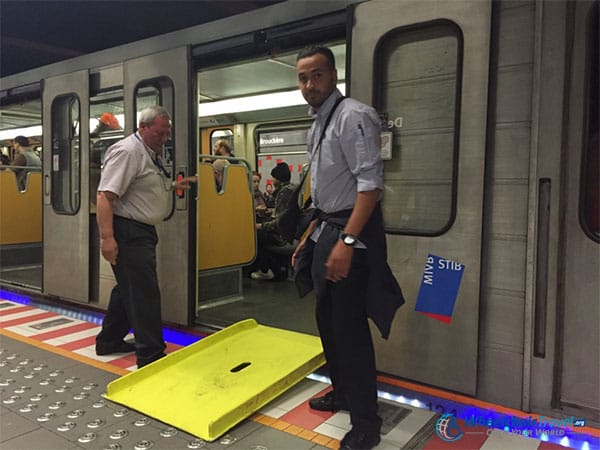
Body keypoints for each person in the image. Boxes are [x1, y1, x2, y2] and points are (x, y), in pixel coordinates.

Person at [292, 46, 404, 450]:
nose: (309, 85)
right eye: (303, 78)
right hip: (329, 227)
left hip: (352, 231)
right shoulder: (319, 122)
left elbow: (369, 186)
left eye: (316, 75)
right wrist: (311, 238)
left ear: (333, 75)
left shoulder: (352, 116)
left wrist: (349, 242)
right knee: (327, 320)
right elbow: (326, 194)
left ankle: (366, 423)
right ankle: (341, 392)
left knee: (350, 329)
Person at [95, 105, 196, 368]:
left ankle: (109, 341)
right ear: (142, 127)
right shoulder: (128, 151)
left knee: (128, 287)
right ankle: (150, 355)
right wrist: (107, 238)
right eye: (159, 134)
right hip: (128, 231)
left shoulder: (147, 152)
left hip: (140, 231)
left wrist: (173, 186)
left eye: (166, 135)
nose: (163, 140)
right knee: (143, 293)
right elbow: (105, 196)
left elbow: (142, 185)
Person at [251, 162, 296, 280]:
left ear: (279, 179)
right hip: (290, 231)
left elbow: (279, 222)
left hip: (281, 235)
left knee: (256, 236)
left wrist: (261, 225)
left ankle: (265, 270)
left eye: (274, 178)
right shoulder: (292, 189)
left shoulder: (283, 193)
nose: (272, 180)